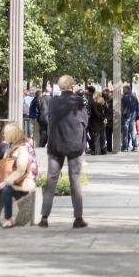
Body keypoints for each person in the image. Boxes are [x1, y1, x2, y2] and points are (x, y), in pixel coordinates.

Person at [39, 75, 88, 228]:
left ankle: (44, 218)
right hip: (75, 146)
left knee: (51, 180)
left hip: (56, 146)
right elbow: (84, 122)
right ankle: (78, 218)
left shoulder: (53, 101)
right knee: (75, 180)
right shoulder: (79, 102)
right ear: (72, 86)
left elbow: (49, 119)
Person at [0, 123, 37, 228]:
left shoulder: (23, 148)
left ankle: (8, 218)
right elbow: (4, 165)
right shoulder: (10, 147)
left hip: (22, 181)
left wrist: (5, 182)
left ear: (12, 135)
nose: (3, 135)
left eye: (5, 133)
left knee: (6, 192)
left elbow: (21, 171)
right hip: (9, 178)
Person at [121, 85, 139, 152]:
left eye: (123, 89)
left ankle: (125, 147)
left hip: (126, 117)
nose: (123, 90)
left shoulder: (124, 97)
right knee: (133, 132)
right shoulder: (134, 97)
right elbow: (138, 108)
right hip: (133, 117)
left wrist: (124, 114)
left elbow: (123, 108)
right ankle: (135, 146)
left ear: (127, 89)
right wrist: (137, 116)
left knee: (125, 132)